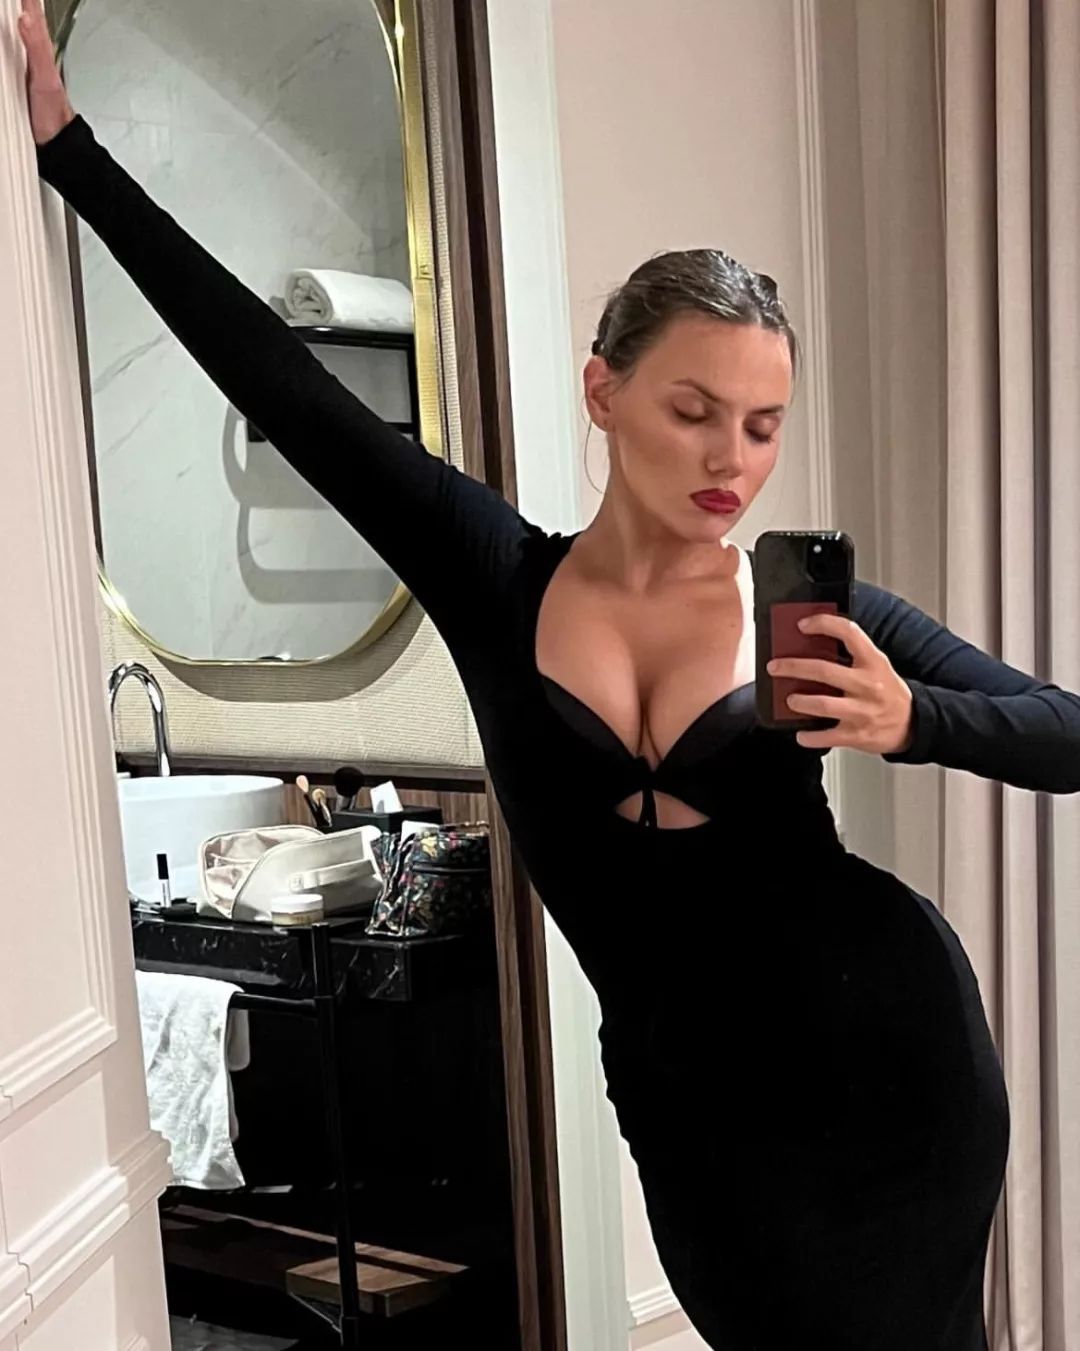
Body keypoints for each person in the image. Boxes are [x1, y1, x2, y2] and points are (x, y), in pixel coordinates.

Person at [18, 2, 1080, 1346]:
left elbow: (1066, 733)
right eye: (693, 411)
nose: (732, 461)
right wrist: (70, 152)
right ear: (603, 392)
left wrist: (913, 716)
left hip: (889, 1059)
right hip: (688, 1107)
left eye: (763, 426)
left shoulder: (806, 610)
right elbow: (285, 385)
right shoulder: (493, 575)